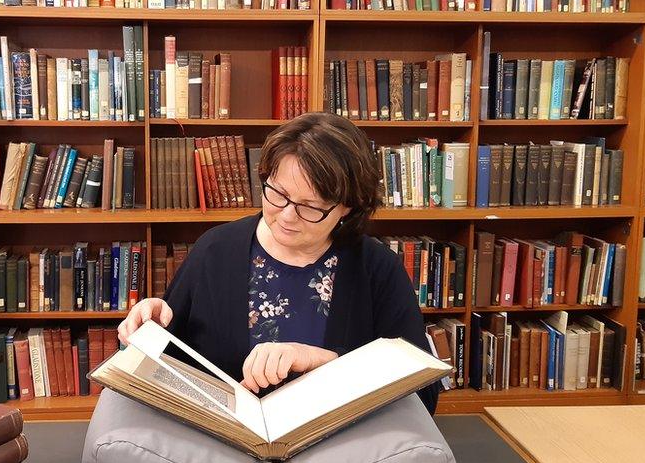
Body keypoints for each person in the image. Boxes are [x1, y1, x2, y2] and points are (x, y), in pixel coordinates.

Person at [117, 112, 441, 414]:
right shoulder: (215, 251)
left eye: (310, 206)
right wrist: (147, 331)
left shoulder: (378, 270)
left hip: (337, 458)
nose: (287, 216)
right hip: (221, 451)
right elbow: (164, 366)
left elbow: (423, 396)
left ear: (348, 208)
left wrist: (325, 362)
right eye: (278, 193)